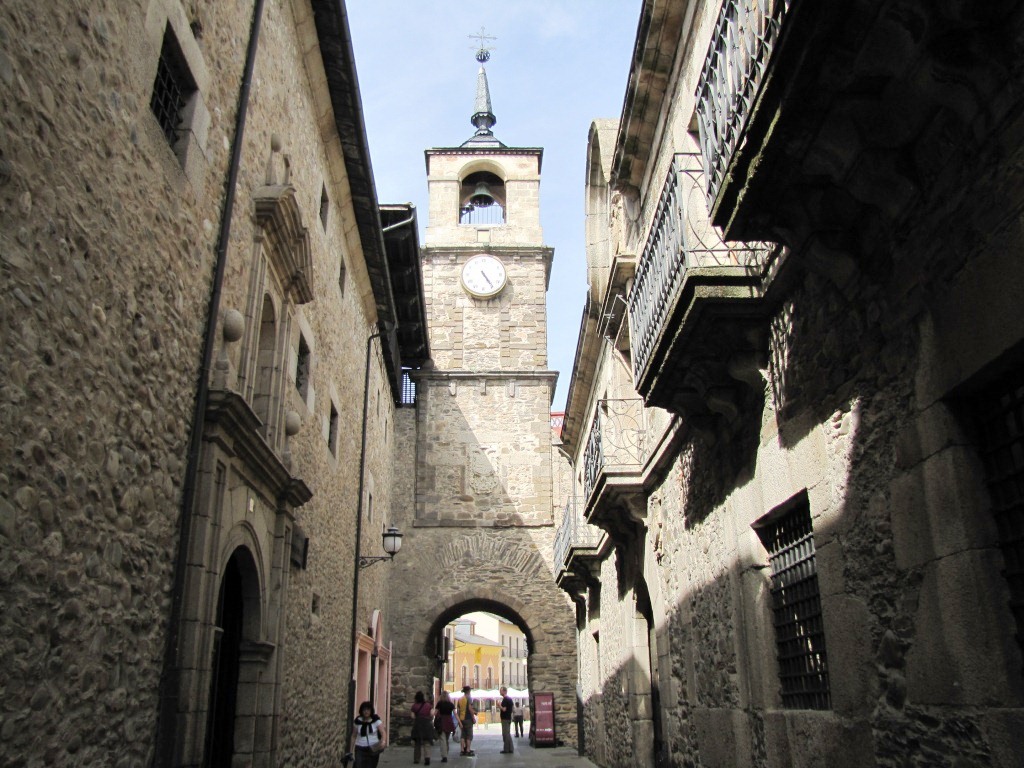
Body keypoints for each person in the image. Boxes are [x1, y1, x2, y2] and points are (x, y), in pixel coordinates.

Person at [348, 701, 386, 768]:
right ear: (361, 711)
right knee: (358, 765)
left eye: (368, 710)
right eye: (364, 710)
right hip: (360, 747)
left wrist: (383, 741)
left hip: (373, 748)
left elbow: (383, 732)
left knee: (371, 766)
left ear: (371, 711)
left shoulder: (376, 720)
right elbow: (353, 736)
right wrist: (351, 751)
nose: (366, 711)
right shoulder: (358, 721)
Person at [433, 689, 457, 763]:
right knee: (446, 739)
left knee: (442, 740)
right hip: (449, 722)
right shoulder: (451, 704)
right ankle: (446, 753)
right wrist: (459, 722)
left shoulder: (439, 703)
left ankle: (444, 756)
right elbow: (455, 714)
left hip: (441, 722)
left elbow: (435, 713)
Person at [411, 691, 435, 765]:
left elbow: (412, 716)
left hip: (418, 724)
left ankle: (416, 759)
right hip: (427, 724)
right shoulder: (428, 705)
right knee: (427, 742)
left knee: (417, 742)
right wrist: (429, 718)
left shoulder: (414, 706)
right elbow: (432, 714)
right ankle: (427, 758)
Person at [455, 686, 476, 756]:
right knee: (469, 735)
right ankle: (468, 750)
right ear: (468, 691)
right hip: (468, 719)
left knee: (463, 735)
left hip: (461, 719)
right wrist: (473, 718)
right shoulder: (469, 698)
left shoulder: (460, 699)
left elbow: (458, 711)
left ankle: (462, 750)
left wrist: (459, 721)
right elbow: (470, 709)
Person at [498, 686, 514, 754]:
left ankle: (506, 749)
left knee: (505, 734)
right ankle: (511, 748)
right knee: (508, 734)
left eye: (501, 690)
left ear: (504, 691)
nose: (500, 692)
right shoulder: (510, 699)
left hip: (505, 718)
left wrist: (499, 705)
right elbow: (512, 708)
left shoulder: (505, 699)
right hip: (508, 718)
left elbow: (504, 709)